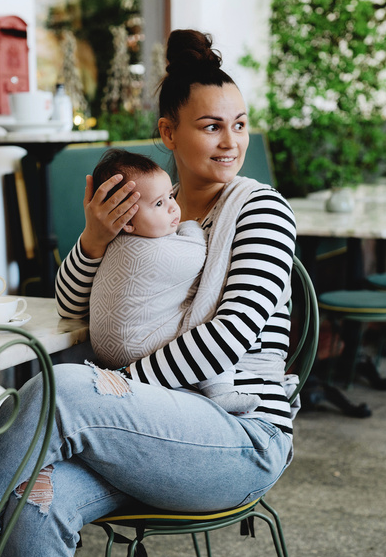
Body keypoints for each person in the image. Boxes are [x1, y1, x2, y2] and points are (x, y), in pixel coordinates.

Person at [0, 28, 297, 557]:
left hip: (238, 435)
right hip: (145, 431)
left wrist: (113, 388)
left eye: (238, 126)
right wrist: (94, 240)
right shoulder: (146, 205)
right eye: (211, 127)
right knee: (32, 503)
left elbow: (232, 334)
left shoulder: (260, 210)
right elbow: (78, 313)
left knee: (66, 389)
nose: (231, 142)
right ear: (168, 132)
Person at [87, 148, 260, 414]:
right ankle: (220, 389)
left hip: (109, 360)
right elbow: (200, 254)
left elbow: (229, 333)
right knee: (202, 314)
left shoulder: (116, 242)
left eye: (170, 196)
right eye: (159, 203)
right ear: (124, 222)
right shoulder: (148, 251)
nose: (172, 206)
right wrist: (190, 227)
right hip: (142, 349)